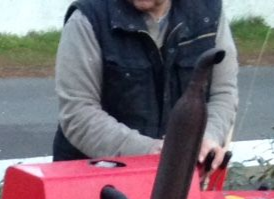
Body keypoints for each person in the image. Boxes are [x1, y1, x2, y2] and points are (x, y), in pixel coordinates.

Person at [53, 0, 238, 165]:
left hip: (175, 179)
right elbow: (78, 112)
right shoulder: (87, 18)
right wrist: (150, 151)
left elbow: (223, 93)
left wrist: (206, 139)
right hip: (91, 181)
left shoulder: (209, 12)